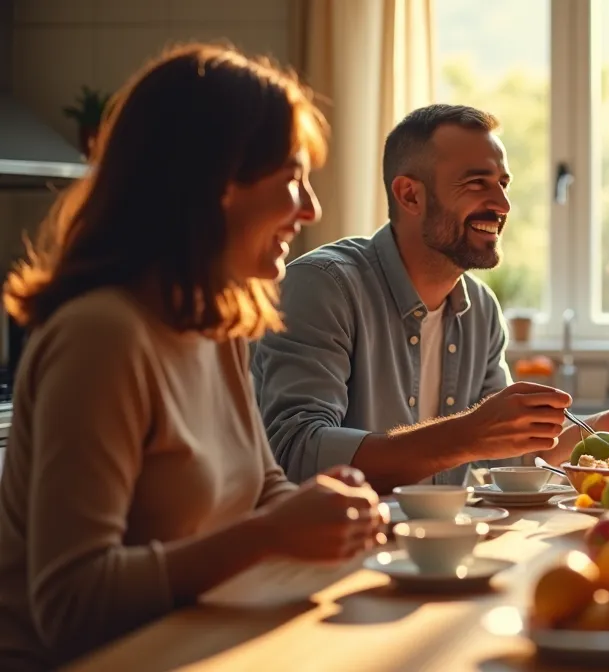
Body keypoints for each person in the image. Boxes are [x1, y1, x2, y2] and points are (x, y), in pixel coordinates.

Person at [0, 45, 385, 670]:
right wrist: (274, 533)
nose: (310, 209)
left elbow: (261, 488)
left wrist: (322, 507)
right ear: (218, 183)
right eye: (292, 177)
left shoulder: (216, 323)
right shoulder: (102, 336)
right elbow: (70, 604)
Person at [252, 104, 609, 493]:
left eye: (503, 184)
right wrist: (467, 435)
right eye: (477, 183)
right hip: (339, 533)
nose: (503, 205)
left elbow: (506, 453)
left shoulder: (481, 310)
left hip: (439, 533)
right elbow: (296, 452)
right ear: (410, 195)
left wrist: (605, 429)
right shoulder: (323, 286)